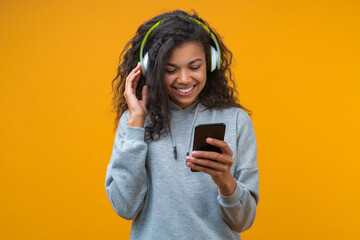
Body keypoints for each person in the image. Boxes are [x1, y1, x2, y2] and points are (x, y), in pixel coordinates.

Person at [105, 10, 259, 240]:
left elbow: (243, 221)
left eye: (194, 67)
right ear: (151, 69)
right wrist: (136, 125)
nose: (185, 79)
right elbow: (125, 207)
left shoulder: (235, 121)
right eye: (170, 70)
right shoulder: (134, 121)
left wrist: (225, 180)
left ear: (211, 62)